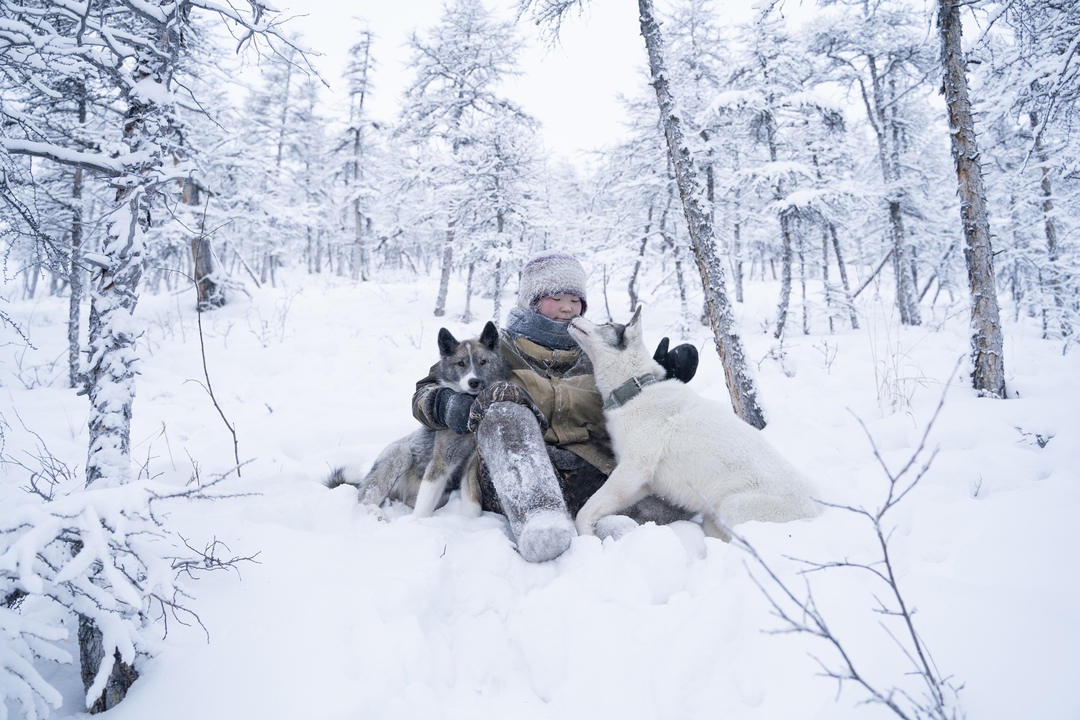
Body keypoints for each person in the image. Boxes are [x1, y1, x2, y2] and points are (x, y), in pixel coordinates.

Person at [411, 251, 698, 562]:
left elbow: (635, 406)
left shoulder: (598, 350)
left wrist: (656, 380)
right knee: (504, 399)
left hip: (590, 471)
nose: (567, 307)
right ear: (533, 301)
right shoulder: (495, 349)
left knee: (678, 490)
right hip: (517, 472)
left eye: (575, 299)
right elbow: (425, 391)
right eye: (556, 297)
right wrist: (446, 404)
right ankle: (540, 518)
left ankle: (612, 519)